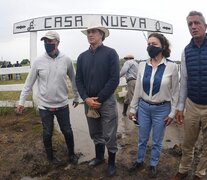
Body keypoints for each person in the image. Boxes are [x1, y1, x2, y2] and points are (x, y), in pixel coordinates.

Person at [16, 31, 80, 166]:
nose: (47, 44)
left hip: (62, 104)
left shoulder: (66, 60)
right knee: (47, 132)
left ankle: (72, 154)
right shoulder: (38, 61)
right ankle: (50, 157)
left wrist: (76, 96)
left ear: (57, 42)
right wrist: (22, 101)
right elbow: (29, 83)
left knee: (67, 131)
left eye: (50, 42)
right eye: (45, 42)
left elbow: (74, 79)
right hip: (45, 106)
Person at [128, 33, 179, 178]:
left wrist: (172, 113)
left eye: (154, 44)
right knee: (142, 138)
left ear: (163, 47)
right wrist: (133, 108)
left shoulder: (172, 67)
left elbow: (176, 92)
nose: (150, 47)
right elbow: (138, 87)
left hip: (162, 109)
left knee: (157, 140)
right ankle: (139, 161)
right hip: (144, 107)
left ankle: (153, 164)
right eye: (149, 44)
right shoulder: (143, 65)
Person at [75, 24, 120, 176]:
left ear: (102, 34)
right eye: (88, 32)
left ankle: (112, 162)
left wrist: (99, 98)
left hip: (106, 101)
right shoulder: (82, 57)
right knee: (95, 132)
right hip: (89, 102)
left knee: (109, 133)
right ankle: (100, 157)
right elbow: (78, 80)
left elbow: (114, 79)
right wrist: (86, 98)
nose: (90, 34)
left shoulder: (110, 53)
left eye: (93, 32)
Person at [172, 11, 207, 180]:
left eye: (197, 23)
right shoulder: (186, 51)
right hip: (192, 104)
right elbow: (184, 80)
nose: (193, 26)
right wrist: (180, 107)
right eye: (190, 24)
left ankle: (201, 173)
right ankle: (183, 170)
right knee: (188, 142)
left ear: (205, 26)